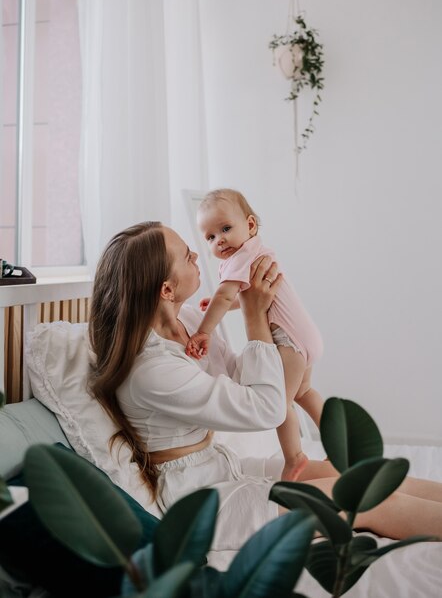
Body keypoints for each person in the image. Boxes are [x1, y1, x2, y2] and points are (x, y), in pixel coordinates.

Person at [88, 221, 442, 553]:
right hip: (201, 502)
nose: (197, 255)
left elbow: (244, 380)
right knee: (367, 499)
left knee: (361, 476)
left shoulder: (191, 322)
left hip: (222, 466)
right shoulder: (151, 370)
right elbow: (266, 408)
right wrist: (253, 316)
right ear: (166, 289)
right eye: (186, 255)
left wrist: (270, 322)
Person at [185, 188, 323, 481]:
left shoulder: (238, 259)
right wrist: (227, 304)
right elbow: (241, 296)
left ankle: (295, 458)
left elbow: (225, 296)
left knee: (278, 403)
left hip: (288, 341)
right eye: (210, 237)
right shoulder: (255, 250)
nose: (219, 239)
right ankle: (341, 444)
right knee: (305, 393)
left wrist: (203, 331)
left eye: (225, 229)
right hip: (305, 334)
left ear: (249, 225)